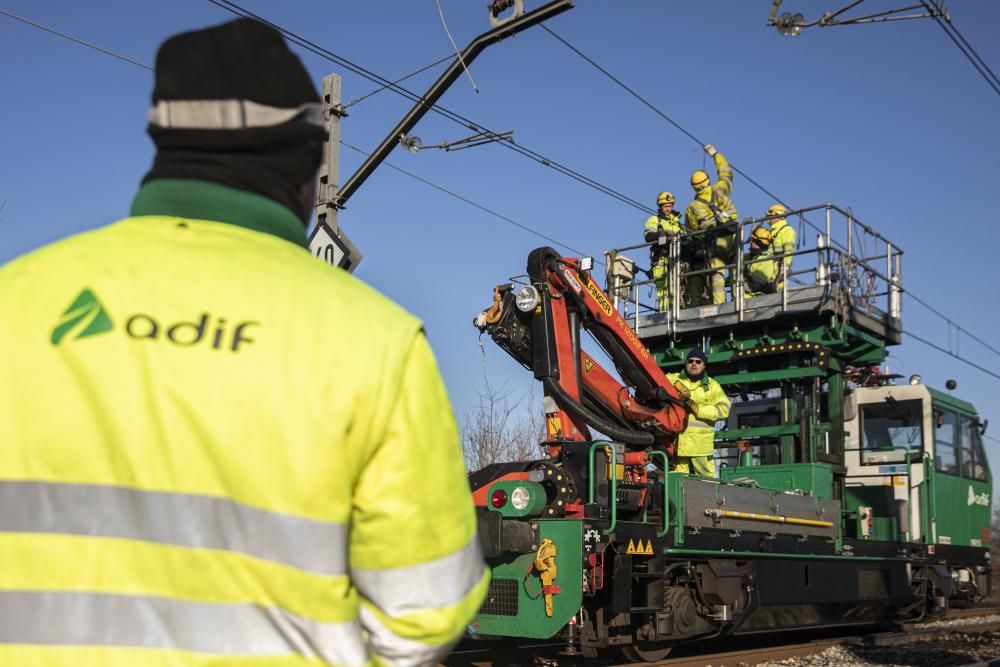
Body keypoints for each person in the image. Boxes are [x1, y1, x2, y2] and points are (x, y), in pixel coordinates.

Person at [0, 19, 487, 666]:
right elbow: (427, 610)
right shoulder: (380, 343)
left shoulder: (17, 299)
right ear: (304, 180)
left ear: (166, 148)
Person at [684, 144, 739, 305]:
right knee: (735, 268)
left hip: (714, 242)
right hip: (733, 235)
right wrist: (715, 154)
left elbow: (692, 232)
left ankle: (719, 305)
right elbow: (726, 172)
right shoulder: (721, 190)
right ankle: (738, 299)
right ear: (708, 180)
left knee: (717, 275)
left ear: (693, 187)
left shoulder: (692, 207)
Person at [667, 347, 731, 477]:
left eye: (698, 361)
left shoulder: (713, 386)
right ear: (686, 363)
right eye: (690, 361)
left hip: (700, 446)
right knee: (678, 481)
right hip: (679, 444)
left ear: (704, 365)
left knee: (706, 482)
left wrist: (698, 408)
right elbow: (659, 379)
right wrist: (677, 384)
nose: (694, 364)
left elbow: (724, 410)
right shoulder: (674, 378)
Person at [644, 191, 682, 312]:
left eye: (670, 206)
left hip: (676, 259)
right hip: (661, 259)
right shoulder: (654, 220)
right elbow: (648, 237)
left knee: (676, 285)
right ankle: (664, 313)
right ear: (660, 206)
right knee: (662, 288)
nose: (668, 208)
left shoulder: (676, 222)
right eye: (666, 206)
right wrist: (663, 234)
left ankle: (675, 310)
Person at [765, 204, 797, 289]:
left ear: (778, 216)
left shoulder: (787, 230)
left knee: (777, 294)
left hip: (778, 271)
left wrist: (785, 267)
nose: (767, 221)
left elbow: (789, 251)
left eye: (769, 218)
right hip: (767, 270)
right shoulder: (770, 232)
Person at [743, 226, 779, 298]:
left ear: (757, 242)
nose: (750, 242)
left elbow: (753, 286)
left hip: (759, 302)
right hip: (751, 300)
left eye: (752, 240)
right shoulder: (754, 258)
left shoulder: (766, 261)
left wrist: (738, 283)